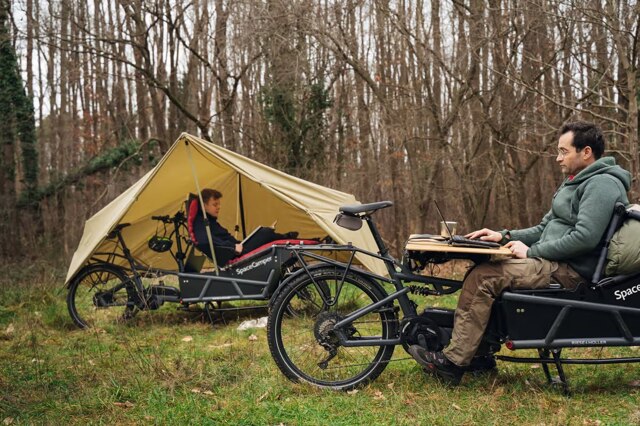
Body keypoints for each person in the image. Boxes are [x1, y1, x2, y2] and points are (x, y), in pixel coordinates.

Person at [409, 121, 631, 385]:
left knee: (484, 278)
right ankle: (479, 355)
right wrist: (504, 236)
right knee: (482, 270)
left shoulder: (601, 185)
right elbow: (544, 227)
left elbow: (585, 239)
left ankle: (455, 362)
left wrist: (531, 251)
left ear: (586, 152)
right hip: (553, 260)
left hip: (571, 270)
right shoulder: (574, 182)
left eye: (563, 151)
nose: (558, 158)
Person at [189, 188, 298, 266]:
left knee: (262, 232)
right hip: (233, 254)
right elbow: (203, 241)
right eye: (215, 204)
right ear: (204, 206)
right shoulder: (201, 223)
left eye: (219, 204)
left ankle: (286, 240)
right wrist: (232, 248)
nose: (219, 207)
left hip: (238, 248)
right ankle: (287, 239)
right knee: (264, 233)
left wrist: (235, 244)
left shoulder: (210, 221)